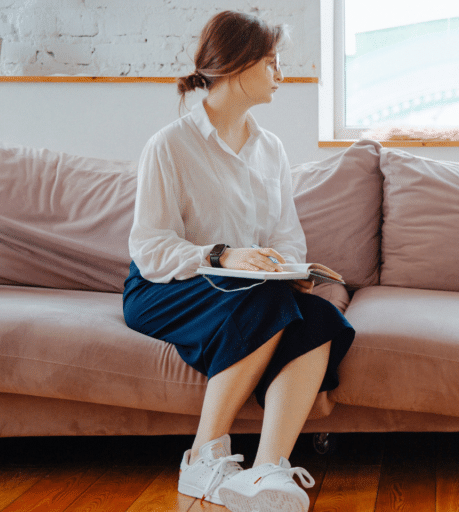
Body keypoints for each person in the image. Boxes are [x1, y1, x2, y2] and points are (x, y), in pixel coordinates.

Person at [122, 11, 353, 512]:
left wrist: (291, 269)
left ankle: (268, 470)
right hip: (165, 288)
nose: (280, 75)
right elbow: (150, 246)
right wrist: (224, 255)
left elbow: (286, 239)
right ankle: (203, 456)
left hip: (246, 293)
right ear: (239, 64)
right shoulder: (170, 146)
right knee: (265, 301)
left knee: (321, 317)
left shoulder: (270, 149)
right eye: (271, 63)